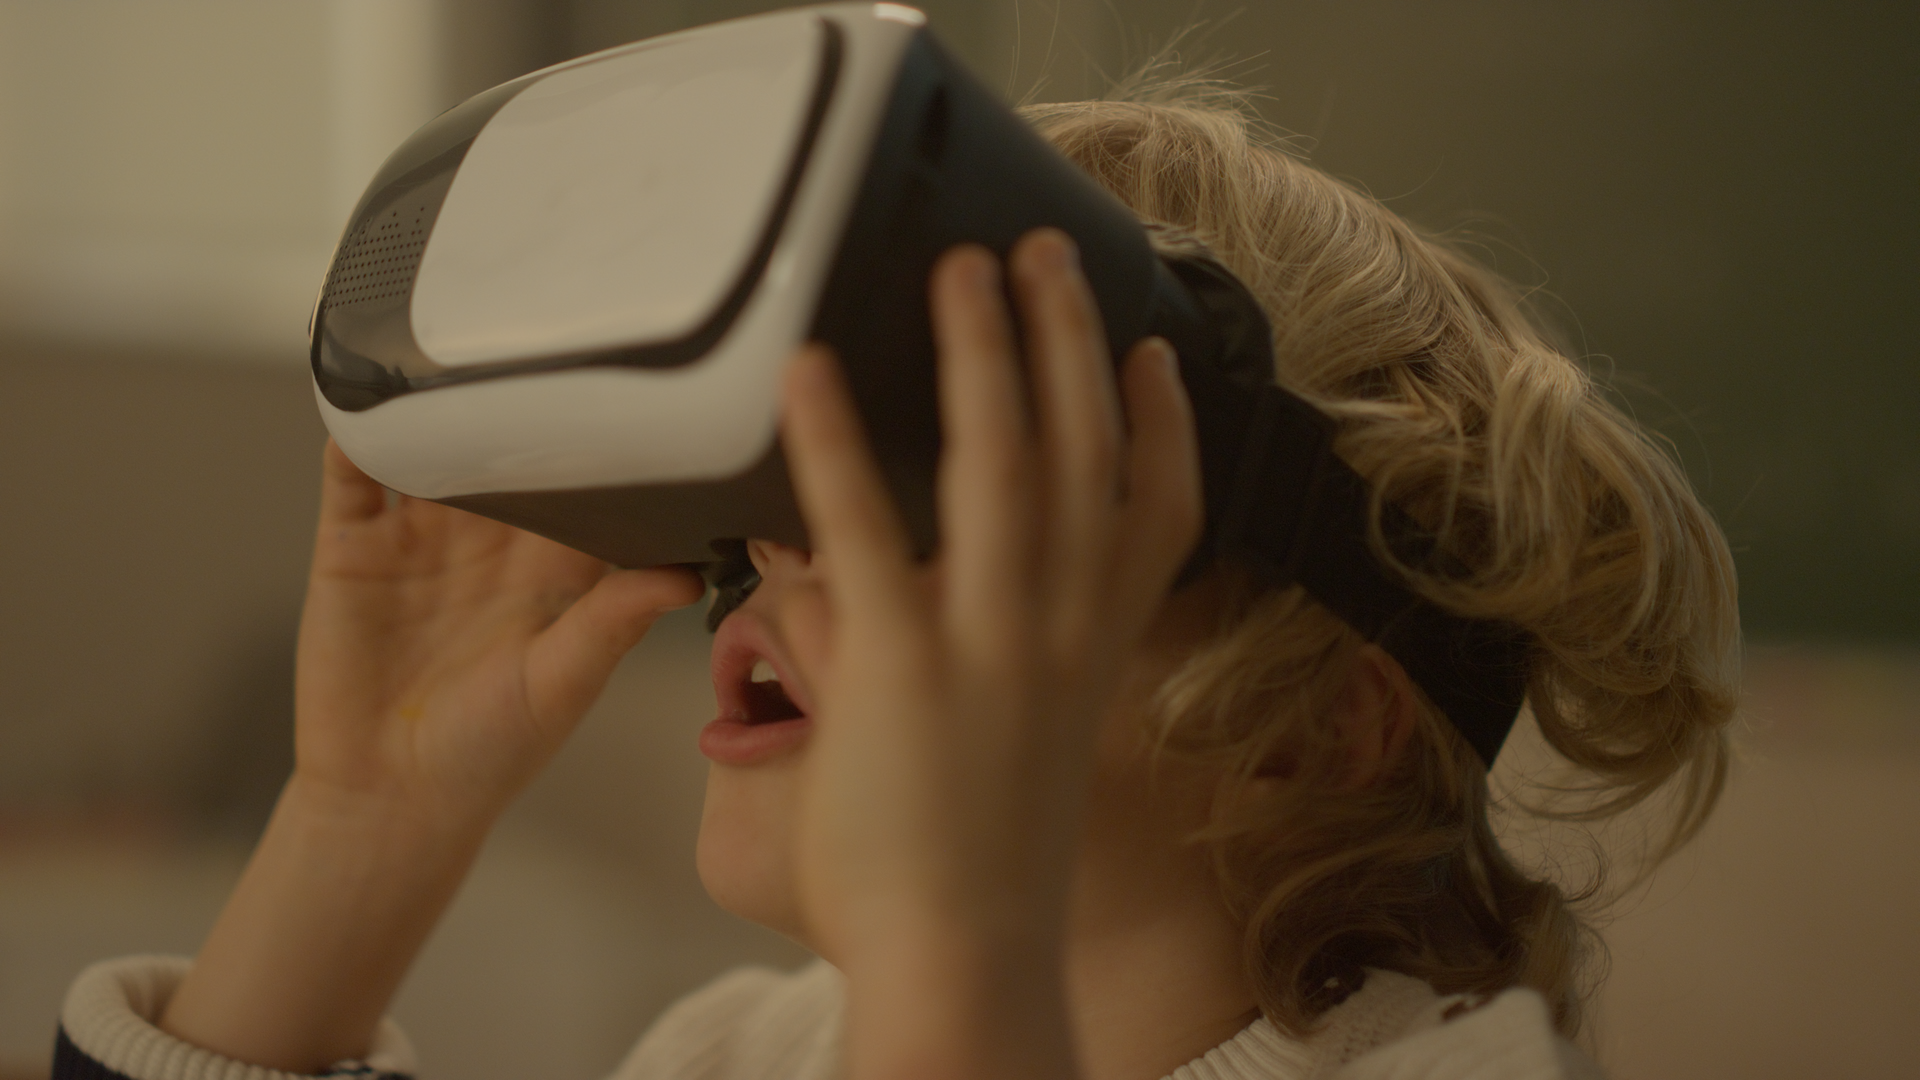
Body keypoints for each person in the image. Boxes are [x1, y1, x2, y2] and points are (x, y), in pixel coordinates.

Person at [52, 84, 1738, 1080]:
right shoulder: (740, 1052)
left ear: (1315, 731)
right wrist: (363, 821)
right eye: (780, 497)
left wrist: (951, 934)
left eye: (938, 499)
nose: (784, 553)